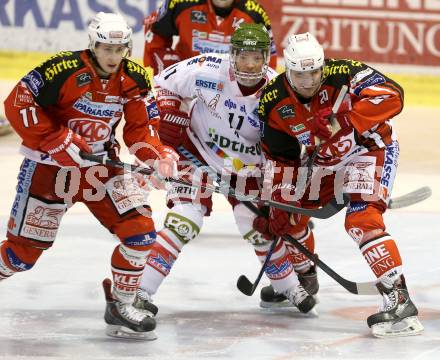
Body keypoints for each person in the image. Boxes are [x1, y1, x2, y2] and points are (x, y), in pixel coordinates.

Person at [0, 12, 179, 340]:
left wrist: (158, 156)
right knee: (21, 255)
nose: (113, 56)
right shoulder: (62, 68)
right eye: (106, 49)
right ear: (93, 45)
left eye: (119, 49)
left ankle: (121, 303)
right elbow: (18, 102)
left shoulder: (135, 78)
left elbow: (141, 128)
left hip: (100, 170)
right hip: (50, 170)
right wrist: (55, 138)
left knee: (140, 232)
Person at [133, 23, 317, 319]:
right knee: (184, 219)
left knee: (255, 225)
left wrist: (281, 184)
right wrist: (169, 118)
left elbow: (289, 145)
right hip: (196, 154)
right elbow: (164, 84)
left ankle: (290, 287)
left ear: (266, 58)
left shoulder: (277, 93)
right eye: (243, 56)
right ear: (232, 55)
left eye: (257, 57)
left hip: (247, 171)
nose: (249, 64)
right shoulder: (206, 69)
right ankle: (140, 292)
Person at [256, 32, 424, 337]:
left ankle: (399, 300)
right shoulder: (273, 101)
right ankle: (304, 279)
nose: (308, 81)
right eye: (299, 74)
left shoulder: (344, 72)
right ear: (287, 70)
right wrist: (280, 197)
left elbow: (393, 95)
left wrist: (345, 121)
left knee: (362, 219)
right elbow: (280, 157)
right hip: (326, 161)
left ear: (323, 66)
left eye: (313, 73)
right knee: (288, 216)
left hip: (369, 149)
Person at [143, 0, 277, 75]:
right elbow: (154, 30)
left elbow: (269, 55)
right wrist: (167, 68)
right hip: (186, 80)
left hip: (232, 84)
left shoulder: (255, 13)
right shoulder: (180, 3)